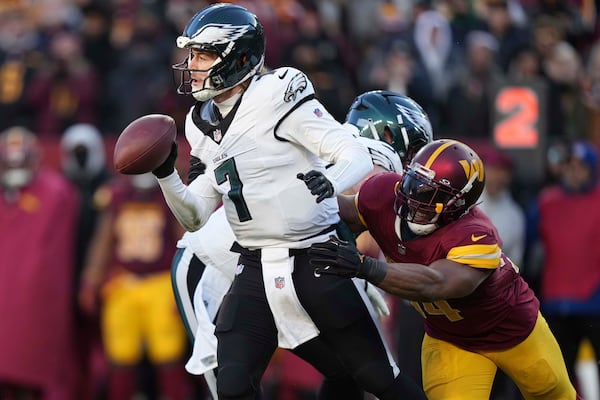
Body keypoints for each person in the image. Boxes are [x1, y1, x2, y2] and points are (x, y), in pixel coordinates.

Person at [151, 3, 426, 399]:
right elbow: (194, 217)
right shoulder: (199, 121)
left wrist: (330, 181)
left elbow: (350, 152)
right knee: (231, 385)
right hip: (250, 263)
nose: (191, 64)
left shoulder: (279, 90)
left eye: (203, 54)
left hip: (313, 256)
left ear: (240, 58)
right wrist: (164, 174)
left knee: (375, 377)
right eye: (192, 54)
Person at [307, 138, 578, 400]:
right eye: (412, 182)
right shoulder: (384, 193)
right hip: (451, 339)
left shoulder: (475, 235)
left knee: (557, 396)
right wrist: (315, 190)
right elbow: (348, 213)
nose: (412, 196)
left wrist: (365, 267)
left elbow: (434, 283)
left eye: (427, 193)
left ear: (457, 203)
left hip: (513, 332)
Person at [78, 173, 191, 400]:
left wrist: (188, 283)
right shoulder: (117, 194)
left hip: (161, 283)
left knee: (169, 354)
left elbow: (186, 241)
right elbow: (104, 241)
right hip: (123, 282)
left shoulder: (168, 194)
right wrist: (91, 280)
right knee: (121, 356)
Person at [0, 127, 80, 399]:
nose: (15, 166)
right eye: (9, 160)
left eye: (20, 159)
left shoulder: (56, 191)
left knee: (36, 368)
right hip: (8, 300)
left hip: (37, 302)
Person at [529, 140, 600, 395]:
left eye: (580, 166)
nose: (573, 170)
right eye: (569, 165)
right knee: (559, 381)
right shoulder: (546, 202)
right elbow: (532, 249)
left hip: (595, 304)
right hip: (555, 304)